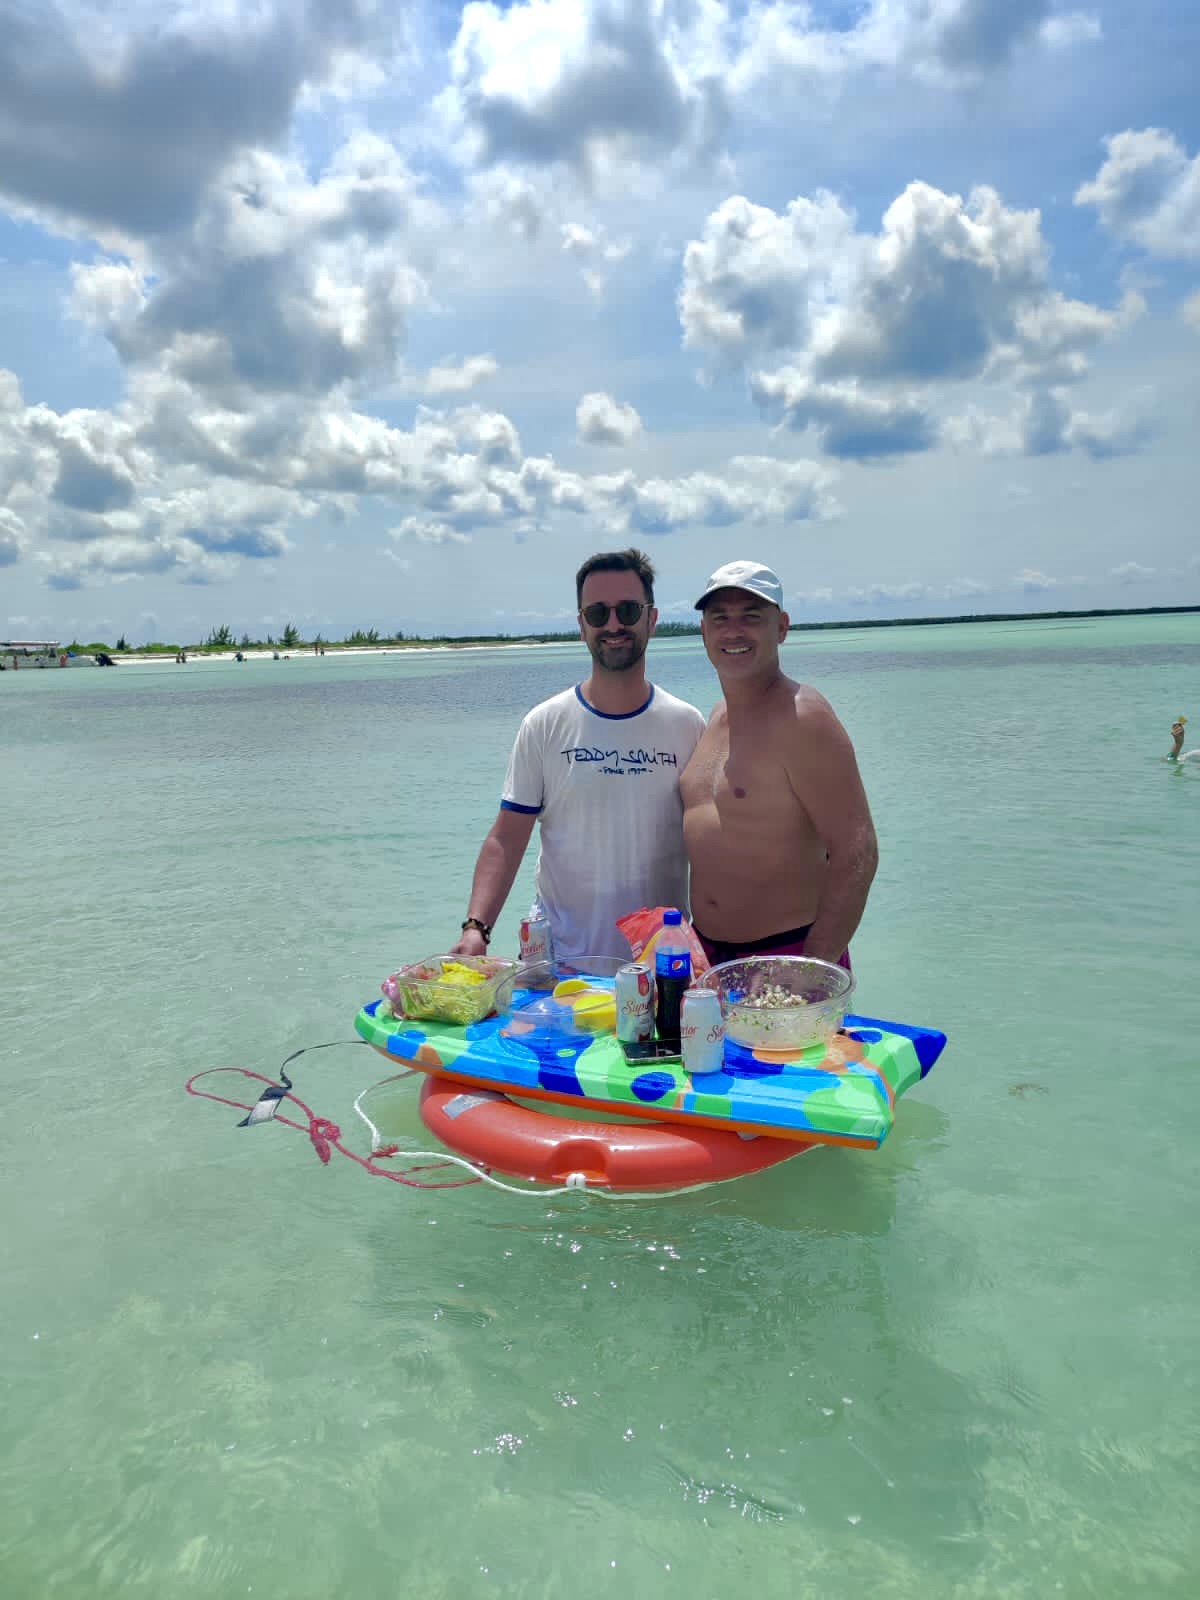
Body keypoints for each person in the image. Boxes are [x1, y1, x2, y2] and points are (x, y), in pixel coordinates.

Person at [452, 548, 706, 962]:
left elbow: (714, 844)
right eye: (597, 614)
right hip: (559, 966)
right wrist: (476, 928)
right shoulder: (544, 724)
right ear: (581, 626)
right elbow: (506, 837)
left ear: (652, 619)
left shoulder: (688, 725)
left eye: (627, 610)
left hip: (660, 968)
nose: (613, 625)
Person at [681, 559, 878, 970]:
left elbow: (856, 852)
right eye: (720, 618)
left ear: (782, 627)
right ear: (703, 631)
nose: (733, 631)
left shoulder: (802, 715)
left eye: (751, 617)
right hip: (707, 958)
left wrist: (811, 972)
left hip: (788, 955)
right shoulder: (715, 718)